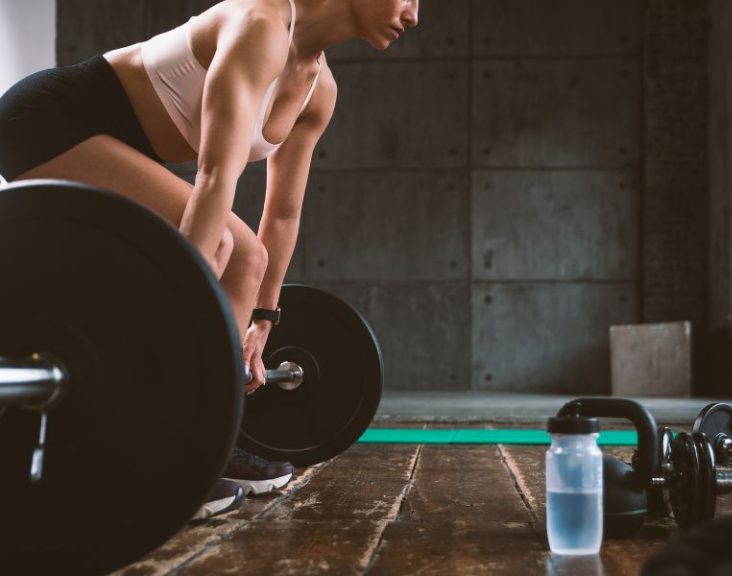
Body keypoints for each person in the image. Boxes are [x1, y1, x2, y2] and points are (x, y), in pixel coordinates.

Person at [0, 0, 419, 516]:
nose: (414, 15)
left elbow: (283, 215)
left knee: (247, 257)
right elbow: (216, 176)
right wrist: (184, 318)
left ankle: (206, 443)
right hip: (47, 119)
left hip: (110, 140)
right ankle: (168, 453)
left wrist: (262, 322)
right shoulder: (260, 26)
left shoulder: (319, 91)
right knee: (226, 249)